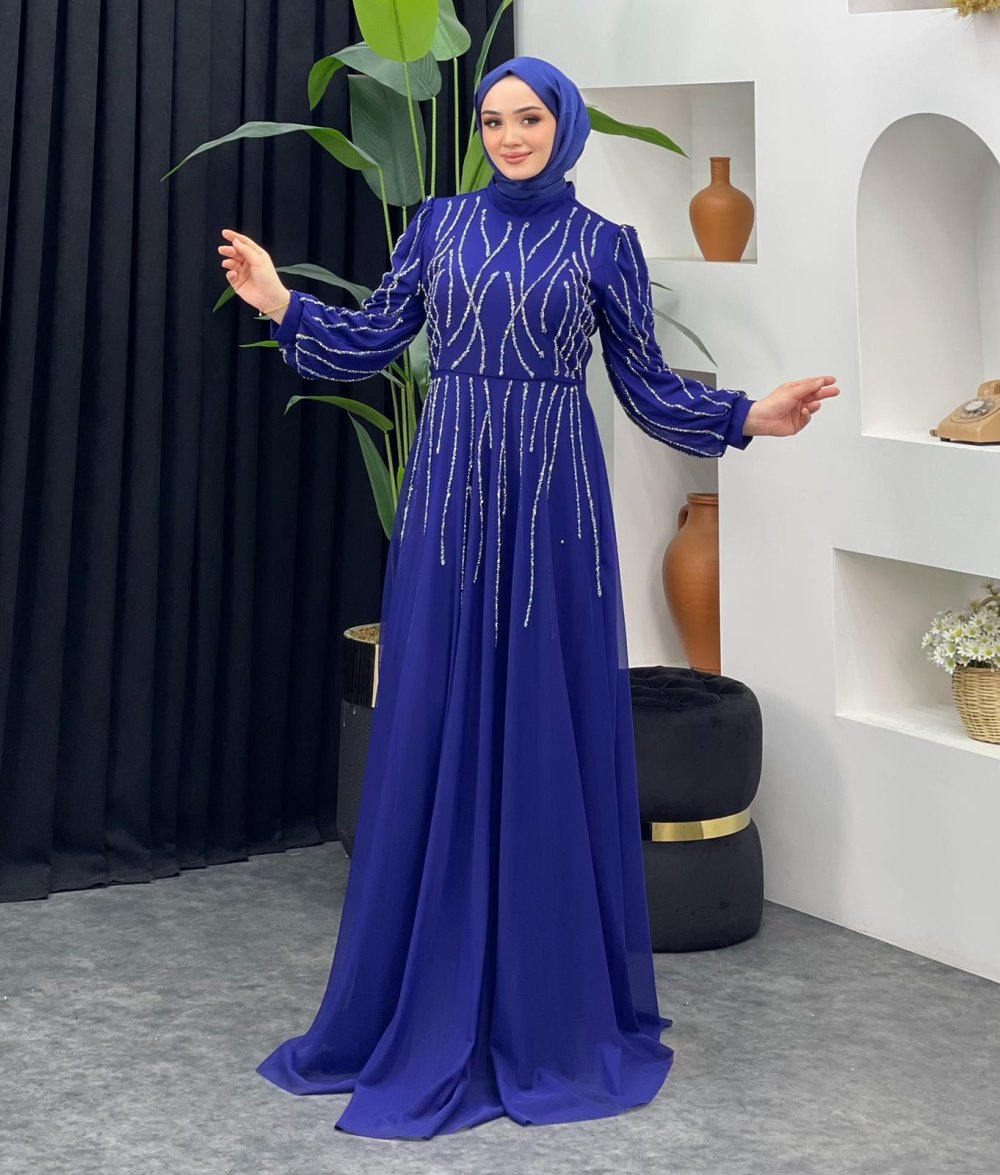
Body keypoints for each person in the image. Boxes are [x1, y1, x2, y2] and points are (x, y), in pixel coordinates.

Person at [218, 56, 839, 1141]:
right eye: (493, 120)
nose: (508, 137)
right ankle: (422, 992)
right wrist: (282, 303)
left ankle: (545, 1003)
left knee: (544, 724)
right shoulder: (438, 227)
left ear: (565, 125)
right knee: (436, 717)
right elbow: (373, 340)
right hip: (449, 503)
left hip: (557, 512)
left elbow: (645, 385)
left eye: (529, 119)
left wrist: (747, 414)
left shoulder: (604, 244)